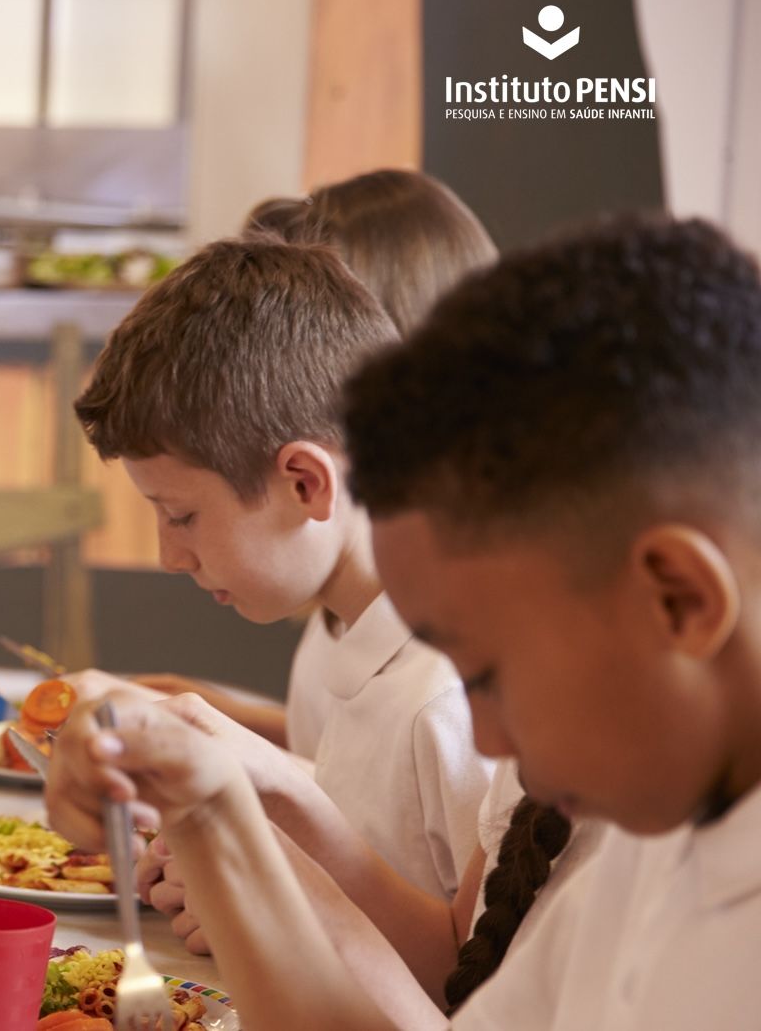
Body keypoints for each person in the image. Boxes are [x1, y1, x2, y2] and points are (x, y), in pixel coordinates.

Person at [48, 214, 761, 1029]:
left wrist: (239, 825)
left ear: (680, 600)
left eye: (490, 676)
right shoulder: (647, 843)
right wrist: (213, 811)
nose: (485, 738)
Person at [70, 235, 494, 910]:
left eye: (180, 516)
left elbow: (472, 965)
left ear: (305, 484)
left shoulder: (449, 702)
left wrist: (255, 890)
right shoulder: (346, 628)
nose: (169, 557)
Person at [139, 170, 501, 751]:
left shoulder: (446, 653)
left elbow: (400, 764)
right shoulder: (348, 578)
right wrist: (208, 712)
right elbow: (348, 754)